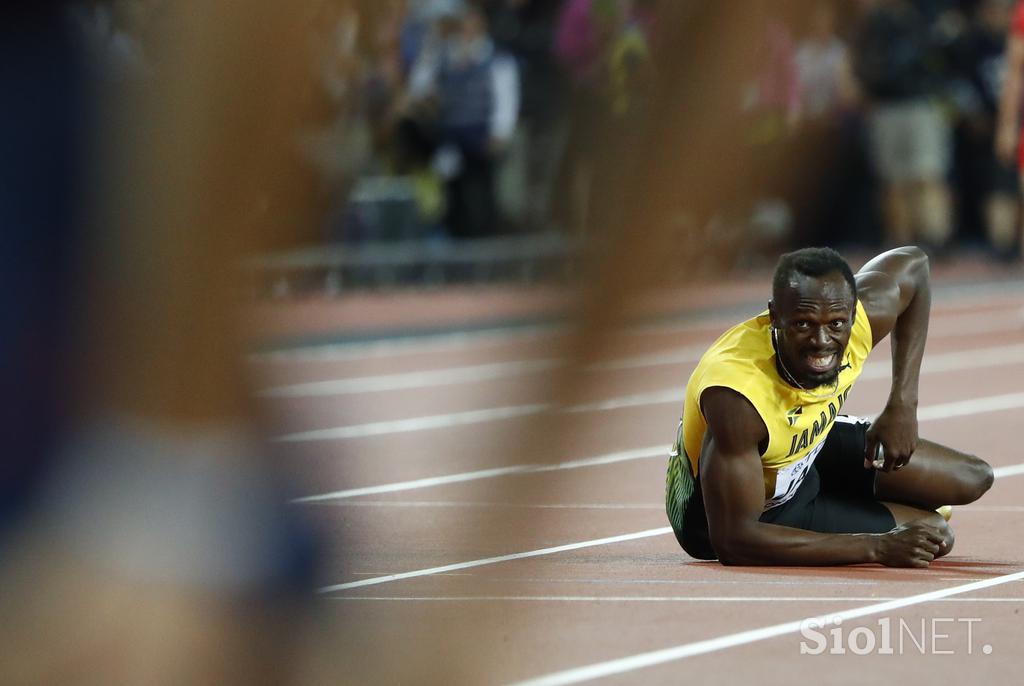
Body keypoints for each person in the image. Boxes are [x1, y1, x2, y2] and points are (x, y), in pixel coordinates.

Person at [665, 246, 994, 567]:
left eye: (836, 324)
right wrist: (876, 547)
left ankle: (854, 498)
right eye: (803, 325)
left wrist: (903, 404)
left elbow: (915, 266)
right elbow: (733, 540)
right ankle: (851, 507)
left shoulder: (861, 320)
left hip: (809, 446)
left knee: (973, 477)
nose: (821, 342)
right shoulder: (738, 399)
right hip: (758, 510)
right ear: (775, 316)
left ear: (853, 314)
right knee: (936, 534)